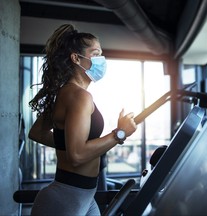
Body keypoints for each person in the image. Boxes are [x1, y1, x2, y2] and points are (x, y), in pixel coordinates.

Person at [28, 24, 137, 216]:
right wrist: (120, 133)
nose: (101, 60)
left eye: (101, 54)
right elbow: (77, 155)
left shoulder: (63, 92)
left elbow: (37, 132)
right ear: (76, 58)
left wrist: (71, 144)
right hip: (66, 200)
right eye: (95, 54)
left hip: (84, 196)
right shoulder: (80, 97)